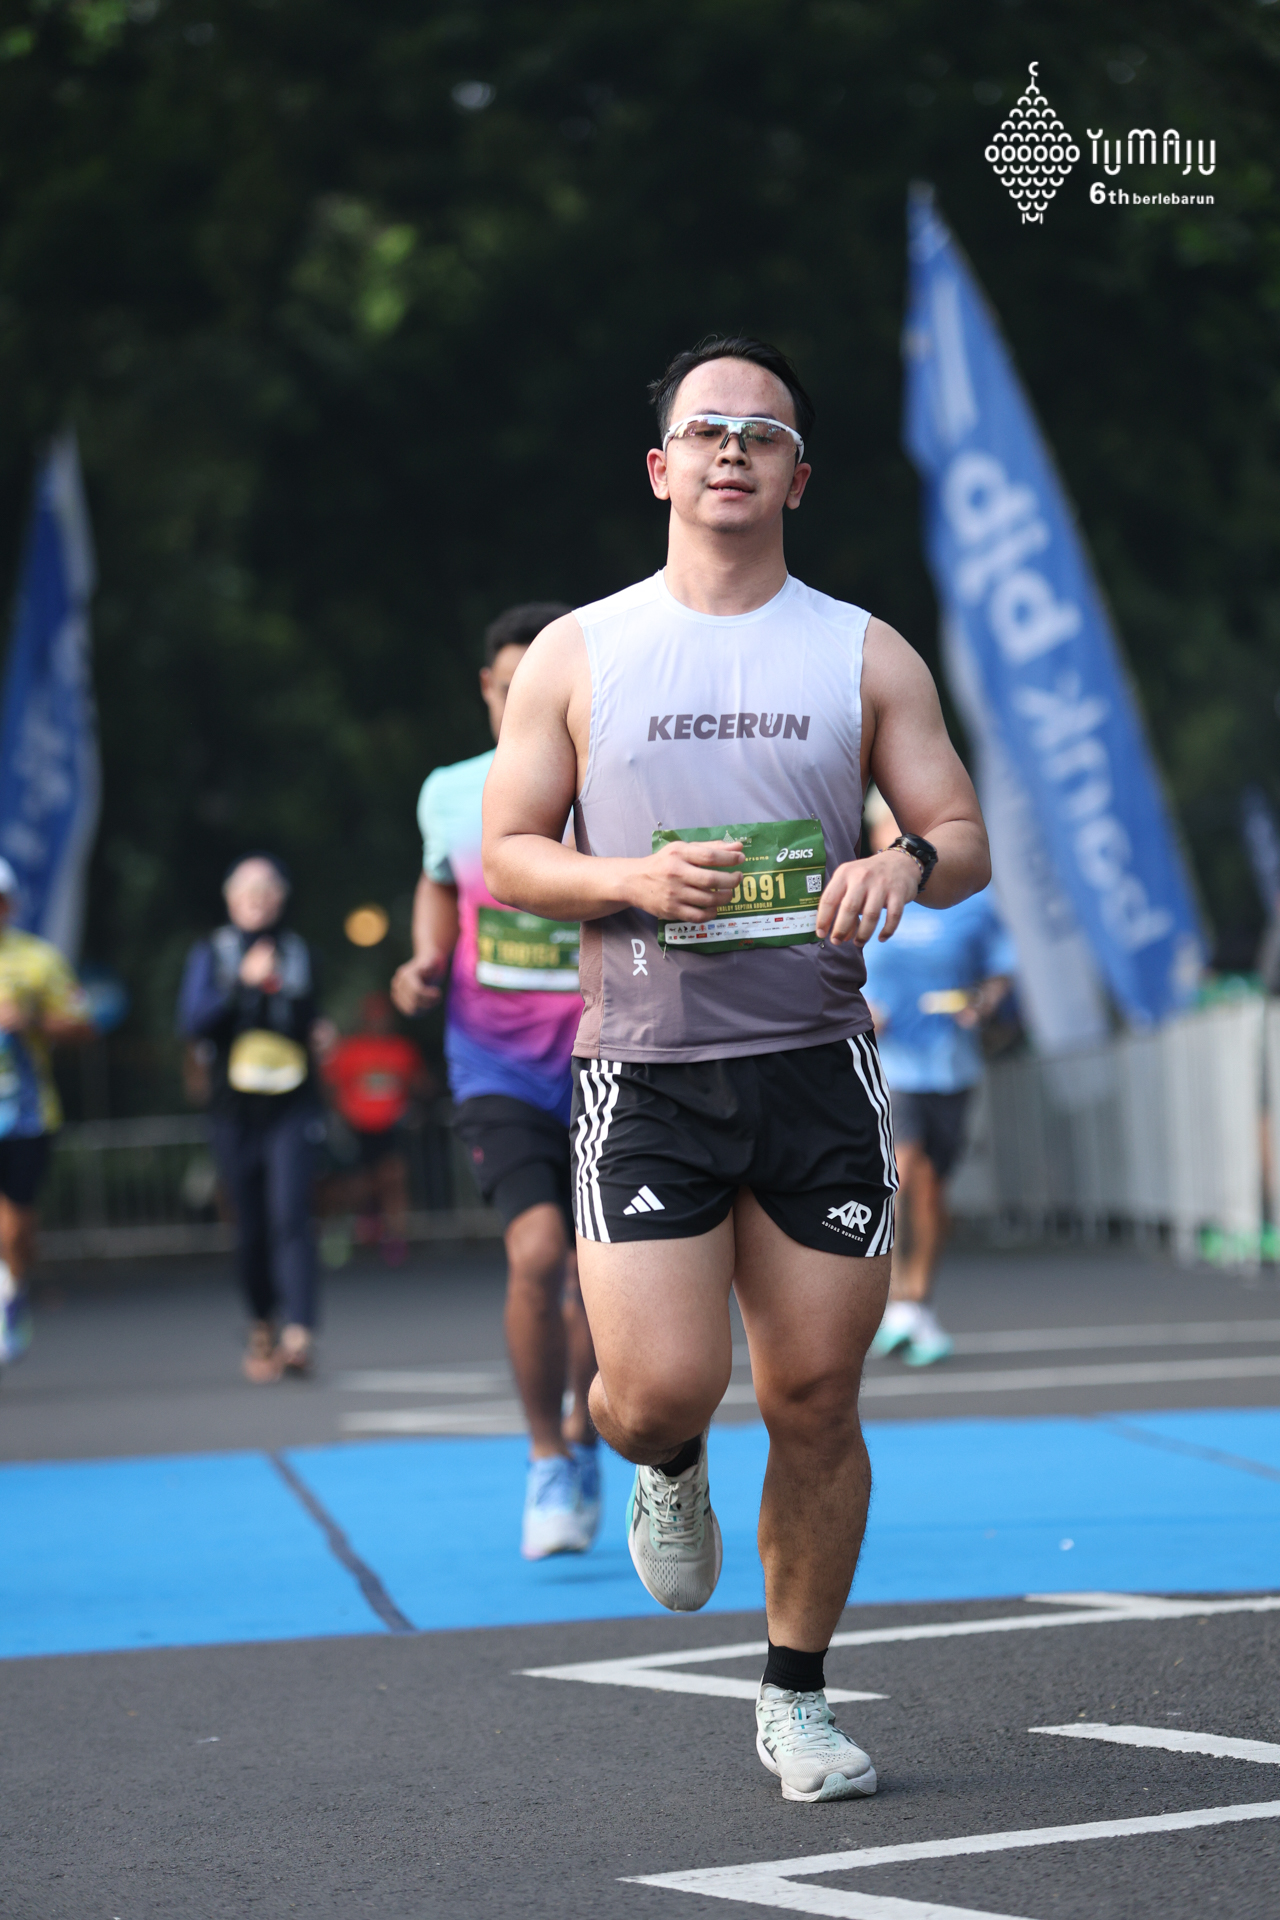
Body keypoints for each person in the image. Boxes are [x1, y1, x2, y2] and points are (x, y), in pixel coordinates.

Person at [482, 336, 990, 1802]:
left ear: (795, 478)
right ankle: (662, 1466)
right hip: (647, 1069)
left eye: (761, 435)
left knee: (817, 1395)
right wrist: (629, 881)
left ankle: (797, 1698)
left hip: (816, 1064)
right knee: (655, 1395)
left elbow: (962, 838)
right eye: (706, 430)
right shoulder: (581, 651)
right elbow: (510, 854)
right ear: (661, 468)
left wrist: (902, 863)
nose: (731, 451)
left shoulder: (863, 651)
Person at [391, 603, 601, 1561]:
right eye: (508, 688)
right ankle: (546, 1454)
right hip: (497, 1066)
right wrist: (425, 958)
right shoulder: (450, 793)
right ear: (486, 689)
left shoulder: (609, 782)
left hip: (610, 1055)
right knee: (537, 1254)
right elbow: (439, 881)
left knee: (602, 1279)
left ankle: (591, 1430)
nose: (524, 703)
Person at [860, 790, 1016, 1365]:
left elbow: (999, 972)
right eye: (891, 826)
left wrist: (983, 1002)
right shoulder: (859, 890)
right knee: (907, 1173)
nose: (902, 837)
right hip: (888, 1063)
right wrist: (856, 1007)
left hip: (952, 1063)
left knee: (933, 1188)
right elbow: (823, 968)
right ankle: (901, 1301)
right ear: (874, 833)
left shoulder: (972, 900)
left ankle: (917, 1304)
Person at [178, 855, 326, 1383]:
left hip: (292, 1105)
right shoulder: (212, 953)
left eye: (268, 889)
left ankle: (299, 1333)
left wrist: (319, 1032)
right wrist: (242, 983)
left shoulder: (299, 952)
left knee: (292, 1214)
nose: (259, 898)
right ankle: (262, 1320)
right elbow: (193, 1022)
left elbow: (309, 1018)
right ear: (231, 899)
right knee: (251, 1226)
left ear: (281, 897)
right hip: (234, 1111)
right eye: (249, 890)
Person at [0, 857, 95, 1365]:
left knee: (17, 1226)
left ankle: (12, 1292)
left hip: (24, 1114)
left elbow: (82, 1025)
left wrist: (30, 1019)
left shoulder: (38, 959)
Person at [321, 991, 432, 1265]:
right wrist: (342, 1115)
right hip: (356, 1130)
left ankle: (396, 1237)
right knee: (356, 1184)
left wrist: (415, 1105)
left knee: (394, 1177)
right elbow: (330, 1086)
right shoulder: (349, 1050)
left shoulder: (402, 1049)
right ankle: (348, 1229)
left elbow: (421, 1083)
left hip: (391, 1128)